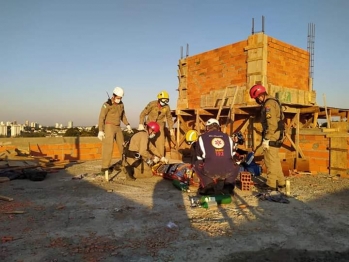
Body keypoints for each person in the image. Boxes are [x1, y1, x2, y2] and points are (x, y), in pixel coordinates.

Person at [249, 84, 286, 189]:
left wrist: (267, 138)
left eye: (256, 98)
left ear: (260, 96)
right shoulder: (273, 101)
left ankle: (271, 184)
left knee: (269, 159)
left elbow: (272, 124)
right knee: (274, 159)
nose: (257, 100)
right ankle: (281, 182)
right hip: (276, 133)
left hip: (272, 134)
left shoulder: (268, 104)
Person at [194, 118, 240, 195]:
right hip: (227, 170)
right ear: (218, 127)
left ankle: (209, 187)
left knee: (197, 164)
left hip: (210, 170)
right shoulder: (228, 137)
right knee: (236, 165)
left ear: (207, 127)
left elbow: (199, 157)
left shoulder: (201, 138)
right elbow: (233, 155)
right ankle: (228, 186)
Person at [98, 86, 133, 174]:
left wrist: (127, 124)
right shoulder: (107, 104)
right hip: (109, 126)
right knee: (108, 147)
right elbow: (101, 117)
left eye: (120, 98)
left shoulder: (121, 104)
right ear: (113, 96)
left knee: (123, 146)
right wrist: (100, 130)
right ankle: (105, 167)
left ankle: (124, 163)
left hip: (118, 127)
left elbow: (123, 116)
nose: (119, 99)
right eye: (118, 98)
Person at [138, 91, 175, 157]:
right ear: (159, 99)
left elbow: (169, 118)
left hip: (160, 126)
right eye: (163, 100)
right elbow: (143, 114)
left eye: (167, 100)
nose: (165, 102)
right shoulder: (152, 104)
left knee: (160, 144)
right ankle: (147, 158)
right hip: (150, 126)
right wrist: (141, 124)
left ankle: (161, 159)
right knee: (146, 142)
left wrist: (171, 128)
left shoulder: (167, 107)